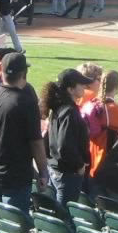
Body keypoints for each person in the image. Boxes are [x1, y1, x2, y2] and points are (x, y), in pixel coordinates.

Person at [0, 51, 45, 214]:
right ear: (24, 74)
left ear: (2, 71)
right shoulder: (26, 102)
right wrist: (43, 172)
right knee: (14, 229)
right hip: (15, 177)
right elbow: (36, 142)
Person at [42, 68, 90, 207]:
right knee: (63, 216)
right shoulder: (69, 111)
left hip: (55, 169)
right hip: (67, 173)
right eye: (81, 84)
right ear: (70, 89)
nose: (84, 87)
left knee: (54, 211)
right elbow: (64, 145)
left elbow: (47, 139)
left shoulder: (58, 108)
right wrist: (80, 165)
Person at [81, 69, 118, 181]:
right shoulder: (112, 108)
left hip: (89, 157)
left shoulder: (91, 103)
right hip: (102, 162)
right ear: (117, 87)